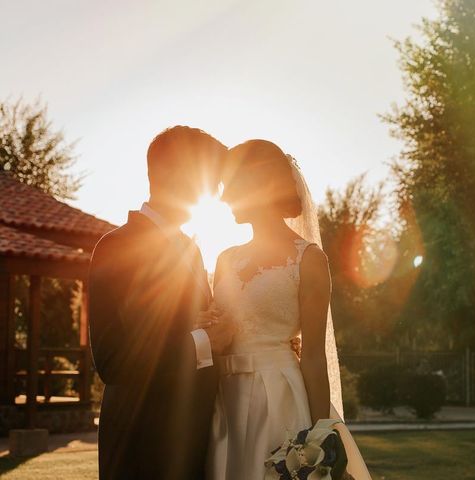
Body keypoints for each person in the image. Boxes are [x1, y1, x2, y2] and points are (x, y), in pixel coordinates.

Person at [203, 139, 371, 479]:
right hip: (224, 401)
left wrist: (321, 436)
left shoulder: (308, 259)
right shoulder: (225, 259)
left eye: (230, 186)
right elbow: (216, 331)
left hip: (278, 397)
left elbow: (312, 355)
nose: (222, 198)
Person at [88, 126, 235, 479]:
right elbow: (113, 360)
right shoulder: (116, 247)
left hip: (193, 442)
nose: (214, 191)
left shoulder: (192, 248)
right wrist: (203, 340)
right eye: (208, 179)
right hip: (141, 446)